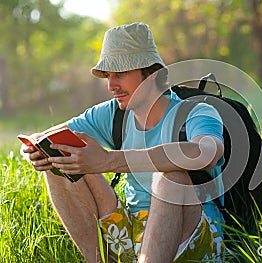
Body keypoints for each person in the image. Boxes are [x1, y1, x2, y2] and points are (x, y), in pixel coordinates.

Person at [21, 22, 225, 263]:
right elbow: (46, 137)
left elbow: (206, 152)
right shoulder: (113, 114)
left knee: (171, 176)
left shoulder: (196, 112)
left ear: (152, 73)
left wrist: (109, 161)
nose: (111, 85)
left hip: (192, 240)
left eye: (121, 73)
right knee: (60, 157)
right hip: (131, 233)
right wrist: (35, 150)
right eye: (108, 75)